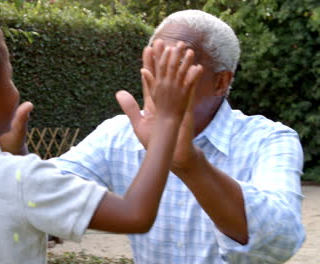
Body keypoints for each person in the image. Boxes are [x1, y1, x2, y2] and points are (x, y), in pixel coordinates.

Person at [0, 13, 204, 263]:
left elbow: (2, 214)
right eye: (10, 79)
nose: (15, 90)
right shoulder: (20, 180)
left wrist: (17, 153)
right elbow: (135, 215)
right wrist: (167, 120)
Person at [47, 10, 305, 263]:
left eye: (177, 67)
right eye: (155, 64)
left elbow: (281, 242)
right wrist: (15, 163)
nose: (161, 80)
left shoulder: (269, 139)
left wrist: (190, 164)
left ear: (220, 82)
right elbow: (43, 193)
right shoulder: (119, 134)